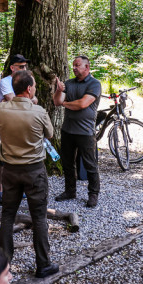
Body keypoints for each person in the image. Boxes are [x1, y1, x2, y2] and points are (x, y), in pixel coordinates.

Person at [0, 70, 58, 278]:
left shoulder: (1, 110)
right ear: (29, 89)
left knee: (7, 215)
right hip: (34, 170)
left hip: (10, 169)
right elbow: (50, 133)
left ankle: (3, 266)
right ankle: (43, 264)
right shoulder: (38, 111)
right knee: (39, 217)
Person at [53, 56, 102, 207]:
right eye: (73, 65)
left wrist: (65, 103)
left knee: (90, 164)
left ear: (87, 67)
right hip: (68, 130)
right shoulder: (68, 83)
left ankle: (93, 194)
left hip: (85, 131)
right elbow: (56, 102)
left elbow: (82, 104)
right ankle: (70, 191)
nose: (74, 68)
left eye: (77, 65)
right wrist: (59, 90)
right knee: (67, 163)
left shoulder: (94, 84)